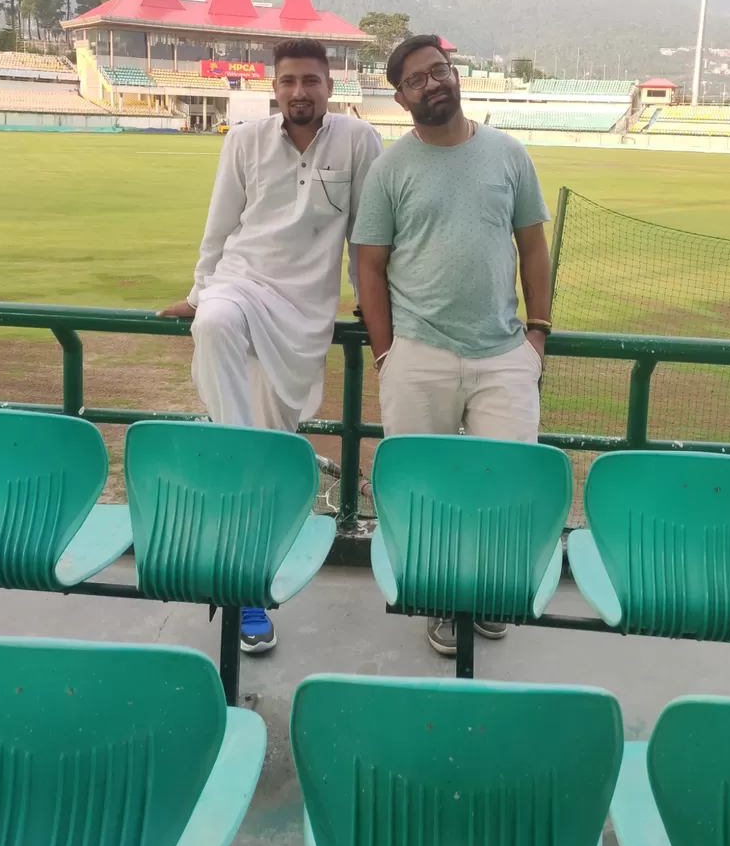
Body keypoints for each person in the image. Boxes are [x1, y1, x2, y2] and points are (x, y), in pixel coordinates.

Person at [159, 38, 383, 653]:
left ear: (330, 86)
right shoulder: (244, 140)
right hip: (241, 281)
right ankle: (246, 584)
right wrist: (202, 290)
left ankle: (247, 529)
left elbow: (367, 234)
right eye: (288, 81)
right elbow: (219, 226)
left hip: (305, 311)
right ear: (274, 87)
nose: (299, 92)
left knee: (274, 437)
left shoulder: (360, 142)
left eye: (311, 80)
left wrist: (371, 300)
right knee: (213, 325)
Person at [351, 33, 553, 657]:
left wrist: (538, 335)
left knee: (505, 484)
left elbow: (533, 248)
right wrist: (387, 354)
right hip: (417, 353)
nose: (434, 83)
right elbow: (369, 266)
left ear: (454, 74)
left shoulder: (508, 155)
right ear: (401, 95)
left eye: (440, 70)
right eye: (418, 78)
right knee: (425, 488)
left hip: (502, 353)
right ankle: (438, 598)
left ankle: (485, 593)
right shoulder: (391, 168)